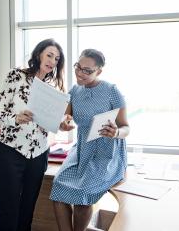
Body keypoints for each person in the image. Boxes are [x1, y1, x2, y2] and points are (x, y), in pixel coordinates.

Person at [50, 49, 130, 231]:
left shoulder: (111, 91)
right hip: (81, 149)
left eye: (87, 70)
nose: (80, 73)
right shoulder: (75, 91)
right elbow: (65, 118)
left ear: (98, 72)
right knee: (57, 188)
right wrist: (64, 124)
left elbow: (126, 127)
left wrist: (116, 132)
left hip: (107, 153)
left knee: (83, 196)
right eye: (78, 67)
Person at [0, 38, 65, 231]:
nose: (52, 61)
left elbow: (49, 122)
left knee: (27, 212)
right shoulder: (16, 75)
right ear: (39, 54)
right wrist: (16, 118)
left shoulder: (52, 89)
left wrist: (62, 125)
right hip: (10, 151)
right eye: (49, 55)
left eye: (57, 59)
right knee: (9, 212)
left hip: (39, 154)